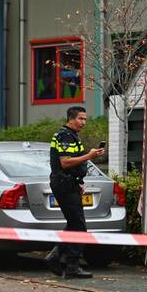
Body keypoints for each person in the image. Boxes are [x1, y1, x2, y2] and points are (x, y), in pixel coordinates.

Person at [45, 106, 105, 278]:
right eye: (80, 119)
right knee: (79, 226)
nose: (83, 122)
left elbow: (70, 166)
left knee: (74, 224)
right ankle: (72, 266)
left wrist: (77, 182)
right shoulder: (65, 135)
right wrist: (89, 156)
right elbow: (65, 163)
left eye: (85, 119)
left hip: (69, 183)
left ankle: (55, 255)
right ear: (70, 119)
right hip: (63, 184)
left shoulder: (71, 135)